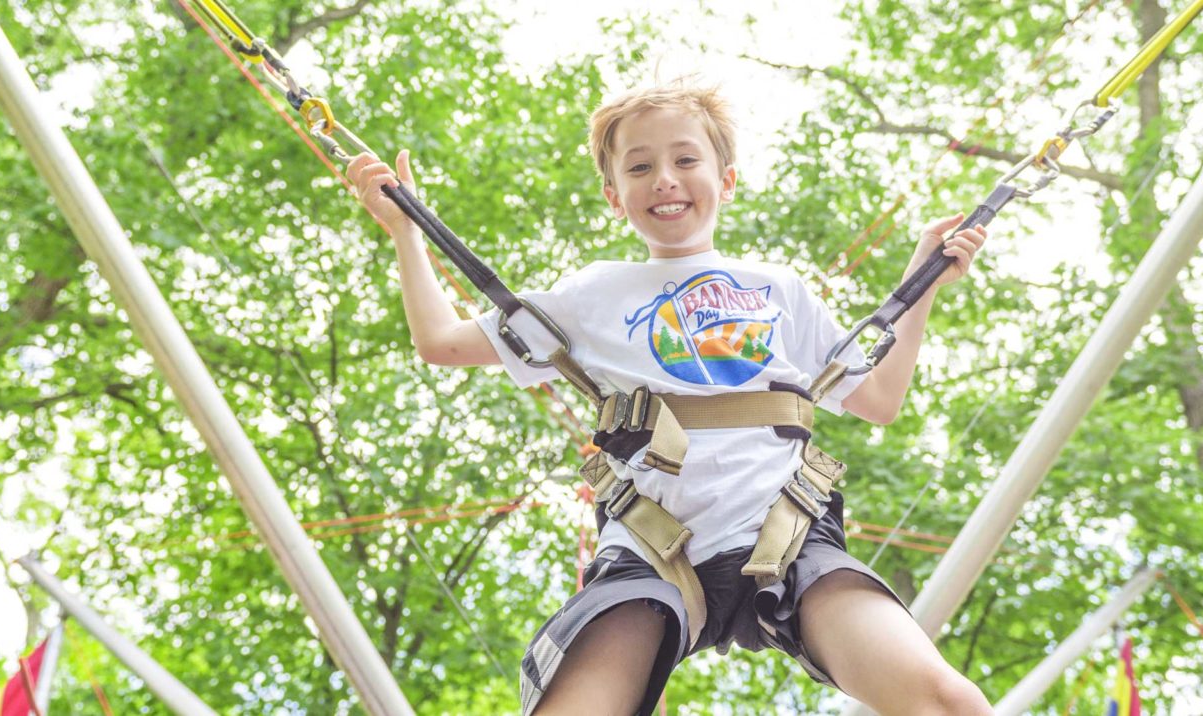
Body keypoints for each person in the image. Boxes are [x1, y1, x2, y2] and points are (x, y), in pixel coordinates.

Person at [348, 80, 992, 715]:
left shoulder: (780, 289)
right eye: (640, 166)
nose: (664, 178)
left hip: (787, 537)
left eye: (685, 160)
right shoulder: (592, 294)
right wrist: (408, 233)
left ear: (727, 180)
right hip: (649, 547)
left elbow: (876, 398)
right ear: (613, 196)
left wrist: (921, 284)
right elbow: (441, 341)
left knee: (949, 701)